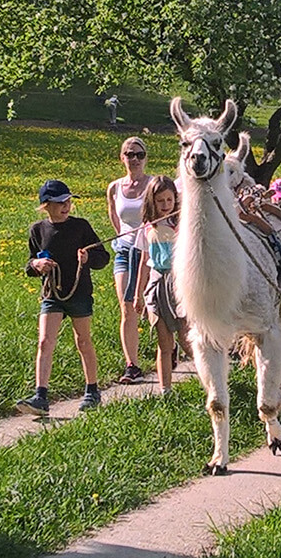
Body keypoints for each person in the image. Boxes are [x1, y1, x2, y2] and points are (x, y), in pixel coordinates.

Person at [20, 180, 112, 415]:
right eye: (60, 202)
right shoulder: (37, 230)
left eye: (68, 201)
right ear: (46, 205)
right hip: (52, 294)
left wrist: (87, 259)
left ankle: (92, 390)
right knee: (44, 341)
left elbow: (103, 257)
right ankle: (41, 395)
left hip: (79, 292)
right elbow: (29, 265)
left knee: (83, 340)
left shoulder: (81, 227)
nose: (66, 206)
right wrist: (37, 264)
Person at [131, 176, 184, 393]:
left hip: (179, 283)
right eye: (160, 201)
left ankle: (209, 385)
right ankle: (165, 391)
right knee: (164, 342)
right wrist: (137, 294)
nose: (165, 206)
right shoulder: (147, 227)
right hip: (157, 283)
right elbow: (144, 262)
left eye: (169, 200)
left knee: (187, 338)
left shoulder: (182, 224)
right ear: (152, 202)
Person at [105, 137, 150, 384]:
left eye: (139, 155)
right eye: (129, 154)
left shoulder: (153, 185)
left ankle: (169, 344)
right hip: (124, 251)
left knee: (151, 306)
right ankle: (131, 365)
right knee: (127, 306)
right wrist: (124, 237)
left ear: (146, 158)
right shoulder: (114, 187)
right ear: (122, 157)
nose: (134, 159)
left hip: (151, 252)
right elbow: (114, 216)